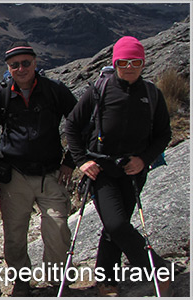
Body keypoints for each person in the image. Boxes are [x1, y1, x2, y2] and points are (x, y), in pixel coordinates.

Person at [64, 36, 173, 297]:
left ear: (143, 63)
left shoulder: (151, 94)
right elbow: (72, 126)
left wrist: (144, 159)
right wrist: (83, 161)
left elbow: (163, 134)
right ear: (115, 62)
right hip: (101, 171)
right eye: (124, 62)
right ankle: (158, 269)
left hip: (134, 171)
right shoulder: (99, 90)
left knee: (116, 226)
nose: (130, 67)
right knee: (115, 224)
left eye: (136, 62)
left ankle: (107, 281)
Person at [0, 41, 77, 296]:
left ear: (35, 63)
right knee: (14, 233)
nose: (21, 68)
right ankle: (20, 280)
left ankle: (57, 280)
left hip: (51, 172)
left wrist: (71, 161)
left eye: (26, 63)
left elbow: (79, 121)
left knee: (57, 227)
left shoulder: (54, 91)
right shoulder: (0, 95)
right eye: (15, 65)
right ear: (8, 68)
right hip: (15, 175)